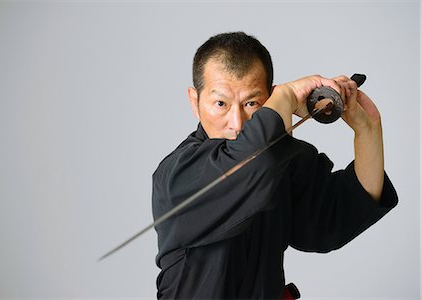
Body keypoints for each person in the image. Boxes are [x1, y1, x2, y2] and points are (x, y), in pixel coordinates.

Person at [152, 31, 398, 299]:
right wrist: (288, 94)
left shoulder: (282, 161)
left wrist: (368, 129)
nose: (236, 122)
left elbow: (337, 214)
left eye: (251, 103)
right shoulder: (177, 174)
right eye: (220, 103)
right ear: (195, 101)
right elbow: (251, 164)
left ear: (268, 100)